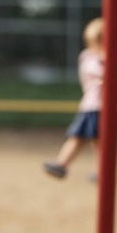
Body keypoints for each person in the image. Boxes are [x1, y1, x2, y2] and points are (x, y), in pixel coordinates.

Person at [43, 17, 105, 180]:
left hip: (101, 107)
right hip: (92, 105)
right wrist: (105, 58)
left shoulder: (105, 58)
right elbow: (98, 72)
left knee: (97, 141)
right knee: (79, 137)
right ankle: (62, 164)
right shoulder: (89, 57)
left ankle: (100, 171)